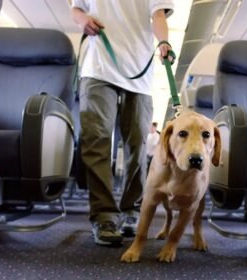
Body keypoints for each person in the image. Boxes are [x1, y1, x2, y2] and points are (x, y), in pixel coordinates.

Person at [70, 0, 174, 247]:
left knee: (137, 145)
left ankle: (132, 211)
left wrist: (164, 42)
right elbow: (76, 8)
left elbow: (158, 14)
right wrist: (82, 19)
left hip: (139, 71)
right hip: (98, 67)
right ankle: (104, 216)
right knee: (96, 141)